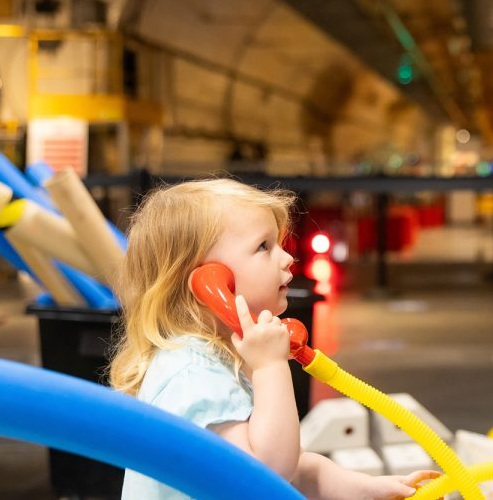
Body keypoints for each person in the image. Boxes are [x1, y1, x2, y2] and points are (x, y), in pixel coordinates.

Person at [109, 179, 439, 499]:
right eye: (263, 246)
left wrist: (368, 490)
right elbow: (268, 474)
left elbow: (297, 467)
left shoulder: (218, 356)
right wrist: (270, 366)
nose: (286, 258)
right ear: (207, 282)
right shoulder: (193, 377)